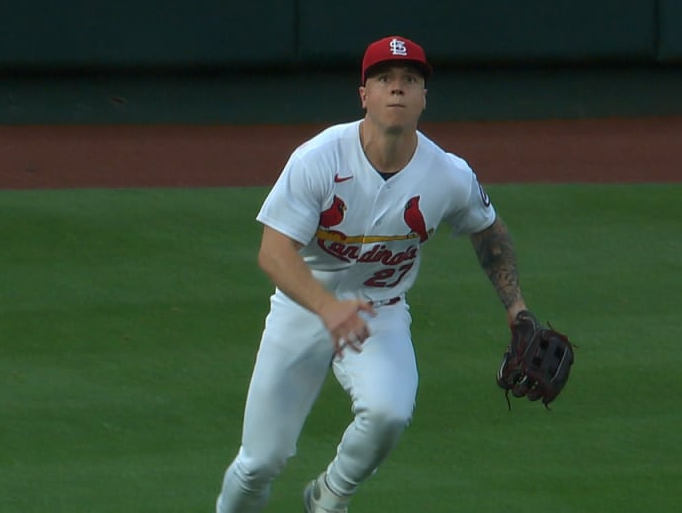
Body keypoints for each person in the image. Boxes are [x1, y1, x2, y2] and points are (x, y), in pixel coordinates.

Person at [215, 35, 529, 513]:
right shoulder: (319, 158)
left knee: (389, 411)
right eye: (384, 79)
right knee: (260, 461)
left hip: (379, 310)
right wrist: (328, 309)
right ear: (365, 95)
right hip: (305, 305)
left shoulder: (447, 174)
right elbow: (273, 252)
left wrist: (517, 309)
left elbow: (489, 232)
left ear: (425, 96)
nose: (397, 89)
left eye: (410, 80)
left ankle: (329, 495)